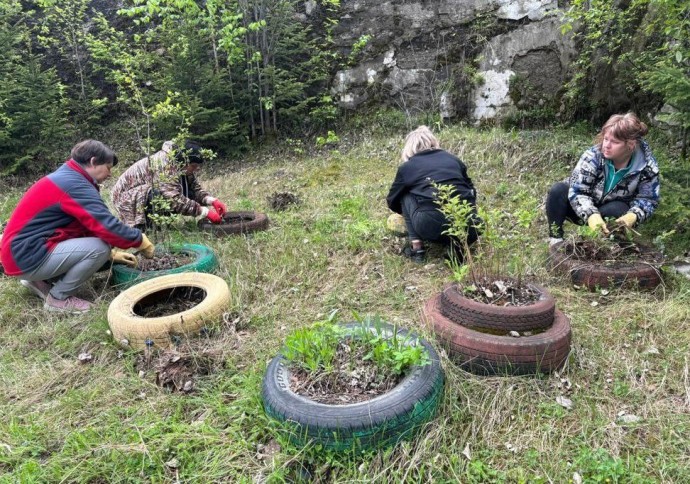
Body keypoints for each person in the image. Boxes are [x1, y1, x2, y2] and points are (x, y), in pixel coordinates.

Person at [0, 140, 155, 313]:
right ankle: (58, 299)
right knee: (99, 249)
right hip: (26, 255)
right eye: (108, 167)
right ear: (93, 161)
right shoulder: (74, 184)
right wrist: (139, 239)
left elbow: (83, 225)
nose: (110, 174)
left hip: (20, 253)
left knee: (103, 251)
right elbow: (105, 225)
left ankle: (39, 281)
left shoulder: (67, 177)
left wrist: (113, 254)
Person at [546, 112, 660, 245]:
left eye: (614, 142)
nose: (606, 145)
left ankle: (605, 244)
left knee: (619, 209)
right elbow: (578, 190)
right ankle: (556, 240)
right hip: (579, 208)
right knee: (558, 190)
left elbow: (648, 199)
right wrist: (591, 215)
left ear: (630, 144)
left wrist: (633, 216)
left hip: (610, 212)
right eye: (606, 139)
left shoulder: (647, 166)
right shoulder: (592, 156)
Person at [386, 126, 479, 263]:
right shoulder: (454, 160)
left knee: (404, 195)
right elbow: (472, 191)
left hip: (430, 225)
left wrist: (407, 215)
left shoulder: (408, 167)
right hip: (472, 225)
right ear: (434, 142)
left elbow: (392, 200)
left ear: (409, 148)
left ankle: (417, 248)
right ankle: (457, 248)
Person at [111, 140, 228, 229]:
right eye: (193, 166)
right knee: (156, 195)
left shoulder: (180, 164)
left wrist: (211, 200)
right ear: (184, 161)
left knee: (186, 192)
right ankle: (146, 226)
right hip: (125, 198)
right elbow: (173, 199)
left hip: (142, 194)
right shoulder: (164, 165)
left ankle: (159, 224)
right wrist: (204, 212)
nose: (196, 169)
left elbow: (194, 189)